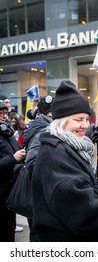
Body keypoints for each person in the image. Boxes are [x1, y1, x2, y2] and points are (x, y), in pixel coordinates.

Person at [32, 80, 98, 242]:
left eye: (87, 119)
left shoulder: (76, 145)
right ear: (62, 120)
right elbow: (85, 210)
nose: (85, 125)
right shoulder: (54, 154)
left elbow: (92, 178)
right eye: (78, 119)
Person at [24, 95, 54, 242]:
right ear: (50, 113)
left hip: (39, 192)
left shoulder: (40, 126)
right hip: (41, 193)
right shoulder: (44, 129)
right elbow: (32, 165)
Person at [0, 100, 26, 241]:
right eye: (1, 113)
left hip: (11, 192)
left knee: (10, 233)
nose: (4, 116)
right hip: (1, 193)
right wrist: (13, 158)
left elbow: (16, 152)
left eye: (5, 113)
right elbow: (11, 158)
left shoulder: (7, 131)